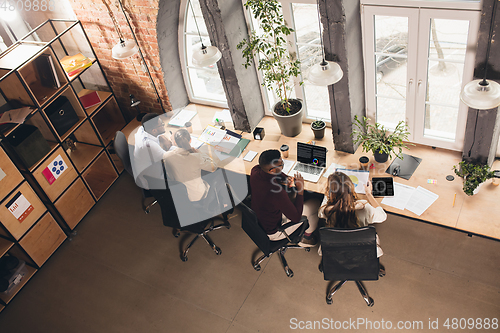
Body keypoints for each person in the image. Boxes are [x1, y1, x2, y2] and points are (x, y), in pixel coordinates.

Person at [250, 149, 320, 247]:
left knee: (294, 197)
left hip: (260, 220)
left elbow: (271, 174)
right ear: (272, 170)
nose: (283, 164)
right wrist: (300, 190)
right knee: (316, 203)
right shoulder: (276, 191)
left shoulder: (255, 171)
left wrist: (285, 178)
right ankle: (306, 238)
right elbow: (296, 218)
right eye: (281, 164)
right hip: (274, 232)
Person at [318, 171, 387, 257]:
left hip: (335, 251)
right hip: (361, 249)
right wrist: (369, 194)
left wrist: (328, 193)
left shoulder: (326, 211)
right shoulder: (364, 208)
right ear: (351, 188)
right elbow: (383, 216)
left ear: (329, 192)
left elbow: (321, 212)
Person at [163, 128, 216, 202]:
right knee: (218, 175)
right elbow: (213, 167)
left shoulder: (166, 156)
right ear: (190, 140)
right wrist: (200, 153)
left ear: (175, 142)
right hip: (198, 196)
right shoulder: (196, 157)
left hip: (179, 195)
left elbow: (171, 176)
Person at [132, 113, 173, 189]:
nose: (164, 125)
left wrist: (162, 137)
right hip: (152, 179)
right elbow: (170, 158)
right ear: (154, 130)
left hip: (145, 167)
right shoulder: (150, 146)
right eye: (161, 125)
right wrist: (176, 144)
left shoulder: (142, 129)